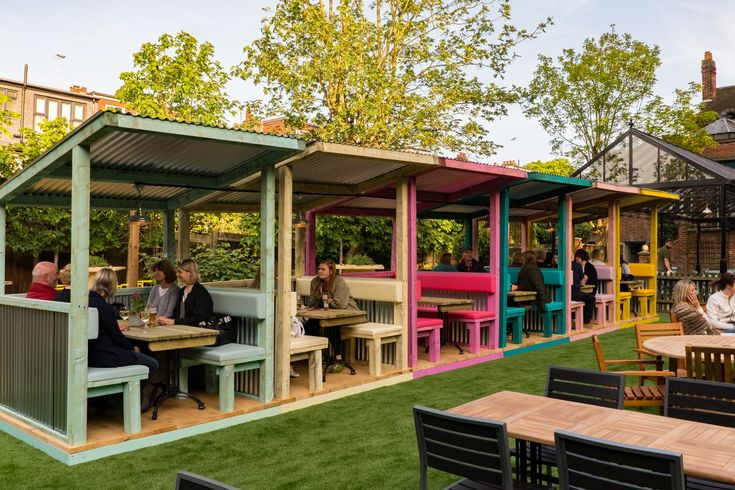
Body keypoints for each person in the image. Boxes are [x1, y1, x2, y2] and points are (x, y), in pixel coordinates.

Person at [87, 268, 159, 410]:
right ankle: (132, 401)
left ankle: (116, 399)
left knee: (139, 354)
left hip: (90, 354)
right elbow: (117, 338)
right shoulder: (104, 307)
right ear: (112, 285)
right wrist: (132, 348)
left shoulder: (86, 302)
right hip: (105, 356)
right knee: (153, 364)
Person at [306, 259, 358, 363]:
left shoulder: (339, 281)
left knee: (332, 324)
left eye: (323, 269)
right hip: (326, 312)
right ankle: (318, 355)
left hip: (348, 312)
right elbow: (312, 301)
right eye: (319, 269)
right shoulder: (315, 281)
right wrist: (321, 300)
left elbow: (341, 304)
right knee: (310, 325)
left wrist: (327, 301)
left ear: (331, 271)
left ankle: (338, 358)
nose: (319, 271)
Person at [159, 259, 213, 327]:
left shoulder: (200, 292)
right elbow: (176, 314)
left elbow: (199, 318)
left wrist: (174, 321)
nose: (177, 274)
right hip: (181, 328)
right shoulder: (182, 291)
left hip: (197, 330)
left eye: (180, 272)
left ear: (189, 273)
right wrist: (164, 320)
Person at [571, 250, 596, 325]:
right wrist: (585, 278)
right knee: (592, 298)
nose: (584, 263)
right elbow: (582, 283)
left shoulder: (561, 266)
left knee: (586, 297)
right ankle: (586, 321)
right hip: (573, 294)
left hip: (563, 294)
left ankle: (576, 318)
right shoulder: (577, 266)